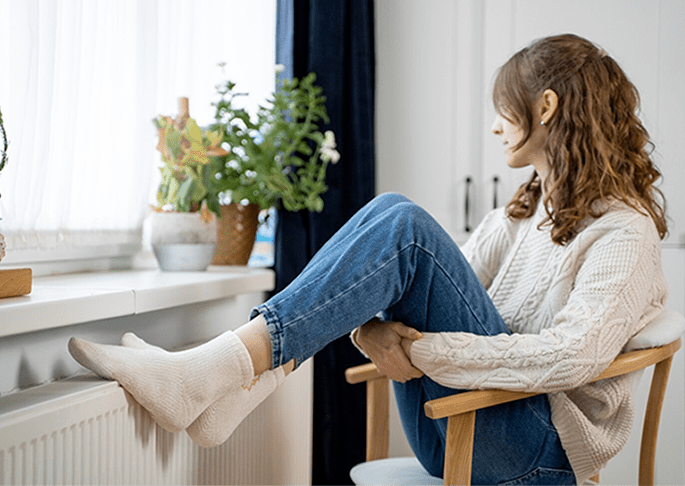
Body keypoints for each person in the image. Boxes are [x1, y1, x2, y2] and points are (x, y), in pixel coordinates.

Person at [68, 34, 668, 485]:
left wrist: (420, 350)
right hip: (455, 421)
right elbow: (413, 285)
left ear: (545, 107)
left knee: (403, 225)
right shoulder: (521, 213)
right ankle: (229, 381)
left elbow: (571, 358)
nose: (493, 127)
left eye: (502, 110)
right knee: (396, 221)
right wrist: (372, 332)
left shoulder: (625, 233)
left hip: (537, 456)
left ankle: (219, 374)